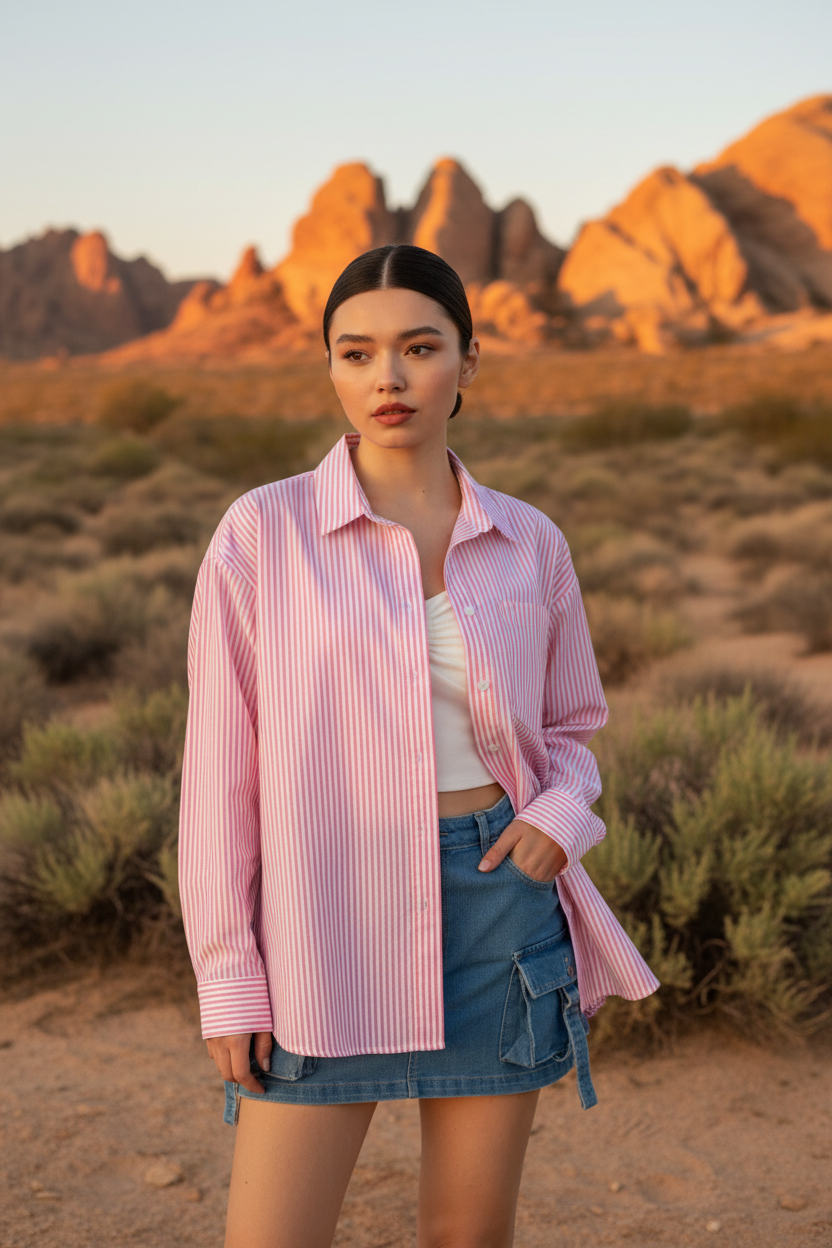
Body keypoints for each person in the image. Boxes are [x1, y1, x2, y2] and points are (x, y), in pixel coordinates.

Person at [178, 243, 659, 1248]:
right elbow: (221, 777)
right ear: (331, 370)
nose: (386, 379)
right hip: (322, 915)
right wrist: (229, 977)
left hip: (498, 900)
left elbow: (571, 727)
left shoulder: (530, 540)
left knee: (466, 1236)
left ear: (467, 363)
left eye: (418, 348)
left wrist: (557, 818)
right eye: (355, 354)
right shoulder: (261, 533)